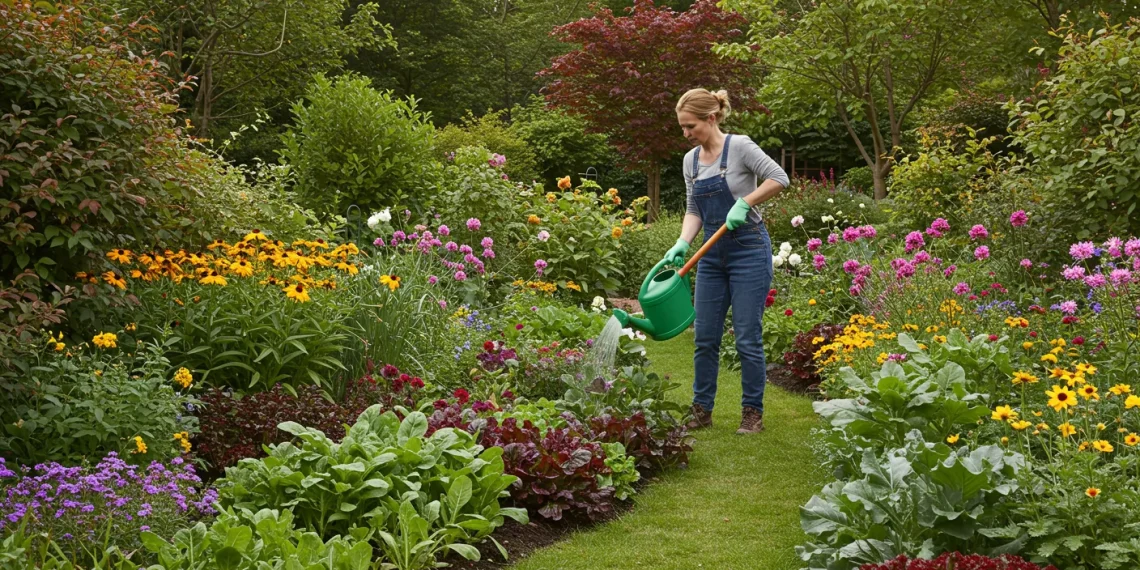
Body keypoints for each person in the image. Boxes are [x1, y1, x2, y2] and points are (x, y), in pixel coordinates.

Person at [665, 88, 789, 434]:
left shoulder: (741, 147)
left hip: (748, 248)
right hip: (711, 254)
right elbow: (694, 209)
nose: (686, 134)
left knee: (747, 336)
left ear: (711, 118)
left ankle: (753, 413)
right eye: (682, 127)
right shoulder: (690, 161)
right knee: (705, 336)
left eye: (691, 126)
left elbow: (780, 178)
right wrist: (681, 243)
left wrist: (745, 202)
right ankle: (701, 409)